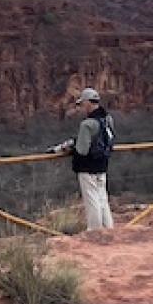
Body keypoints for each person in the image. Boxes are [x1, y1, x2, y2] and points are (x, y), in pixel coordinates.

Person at [57, 88, 115, 230]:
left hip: (87, 167)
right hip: (102, 164)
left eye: (82, 104)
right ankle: (108, 229)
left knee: (92, 199)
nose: (81, 108)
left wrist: (69, 148)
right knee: (102, 197)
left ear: (88, 103)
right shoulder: (107, 119)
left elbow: (82, 150)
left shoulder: (87, 124)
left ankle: (95, 231)